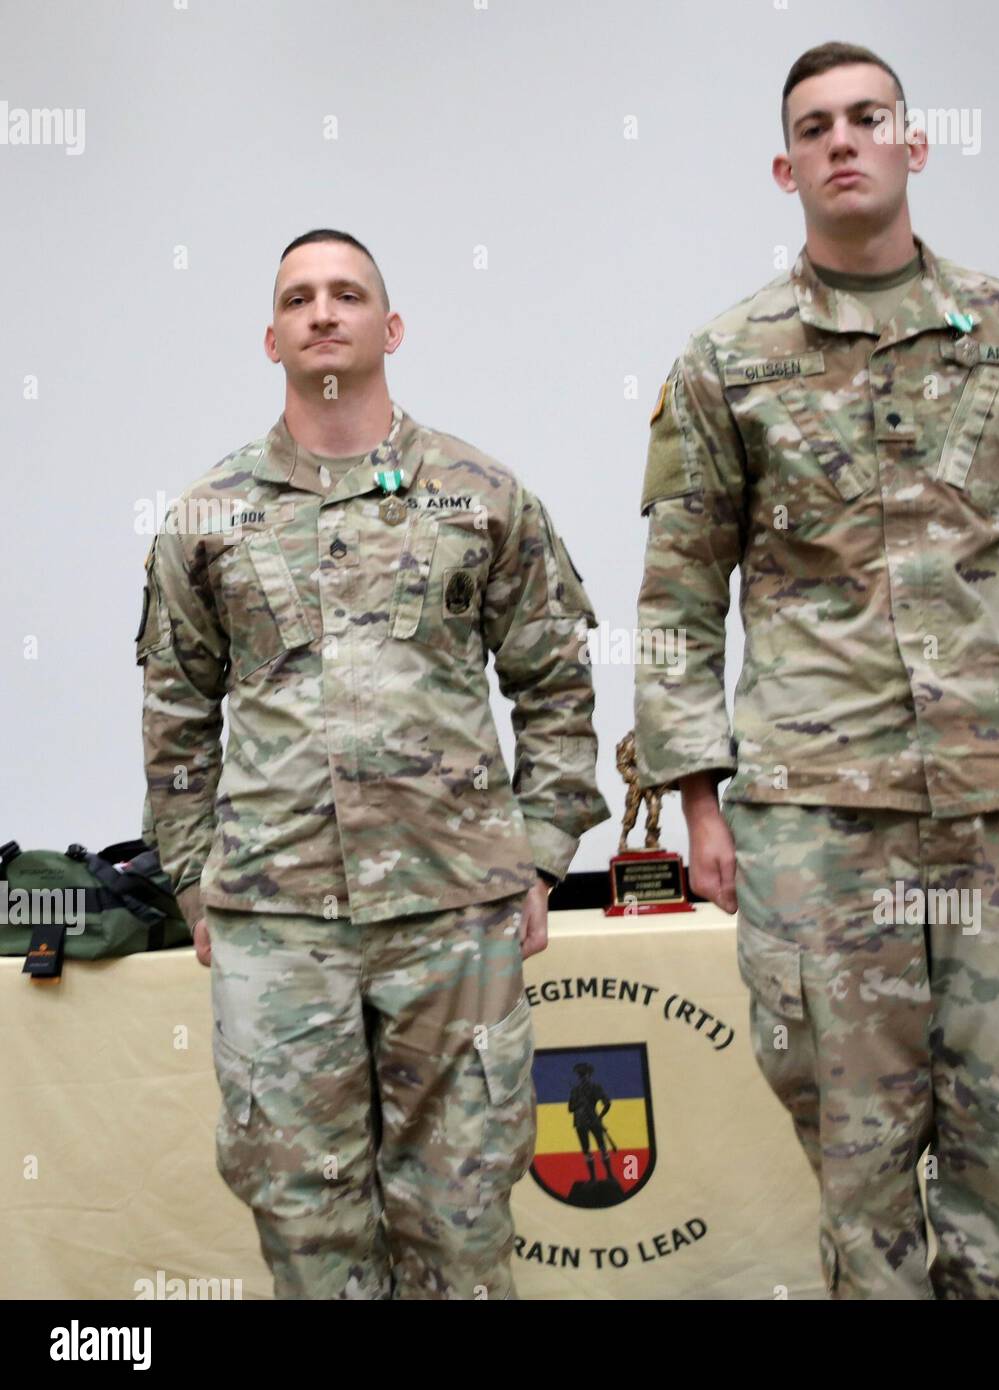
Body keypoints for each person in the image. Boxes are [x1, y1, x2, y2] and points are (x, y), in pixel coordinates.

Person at [633, 43, 999, 1299]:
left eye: (867, 117)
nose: (843, 140)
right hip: (818, 819)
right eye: (815, 126)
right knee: (856, 1162)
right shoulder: (726, 361)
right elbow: (676, 595)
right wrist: (698, 800)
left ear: (913, 145)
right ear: (784, 167)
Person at [137, 228, 609, 1299]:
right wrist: (196, 880)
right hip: (278, 922)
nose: (322, 311)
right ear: (271, 338)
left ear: (389, 328)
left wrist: (538, 856)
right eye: (299, 297)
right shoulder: (209, 516)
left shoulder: (480, 495)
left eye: (346, 293)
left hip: (453, 914)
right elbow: (175, 711)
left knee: (462, 1207)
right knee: (303, 1212)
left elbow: (555, 682)